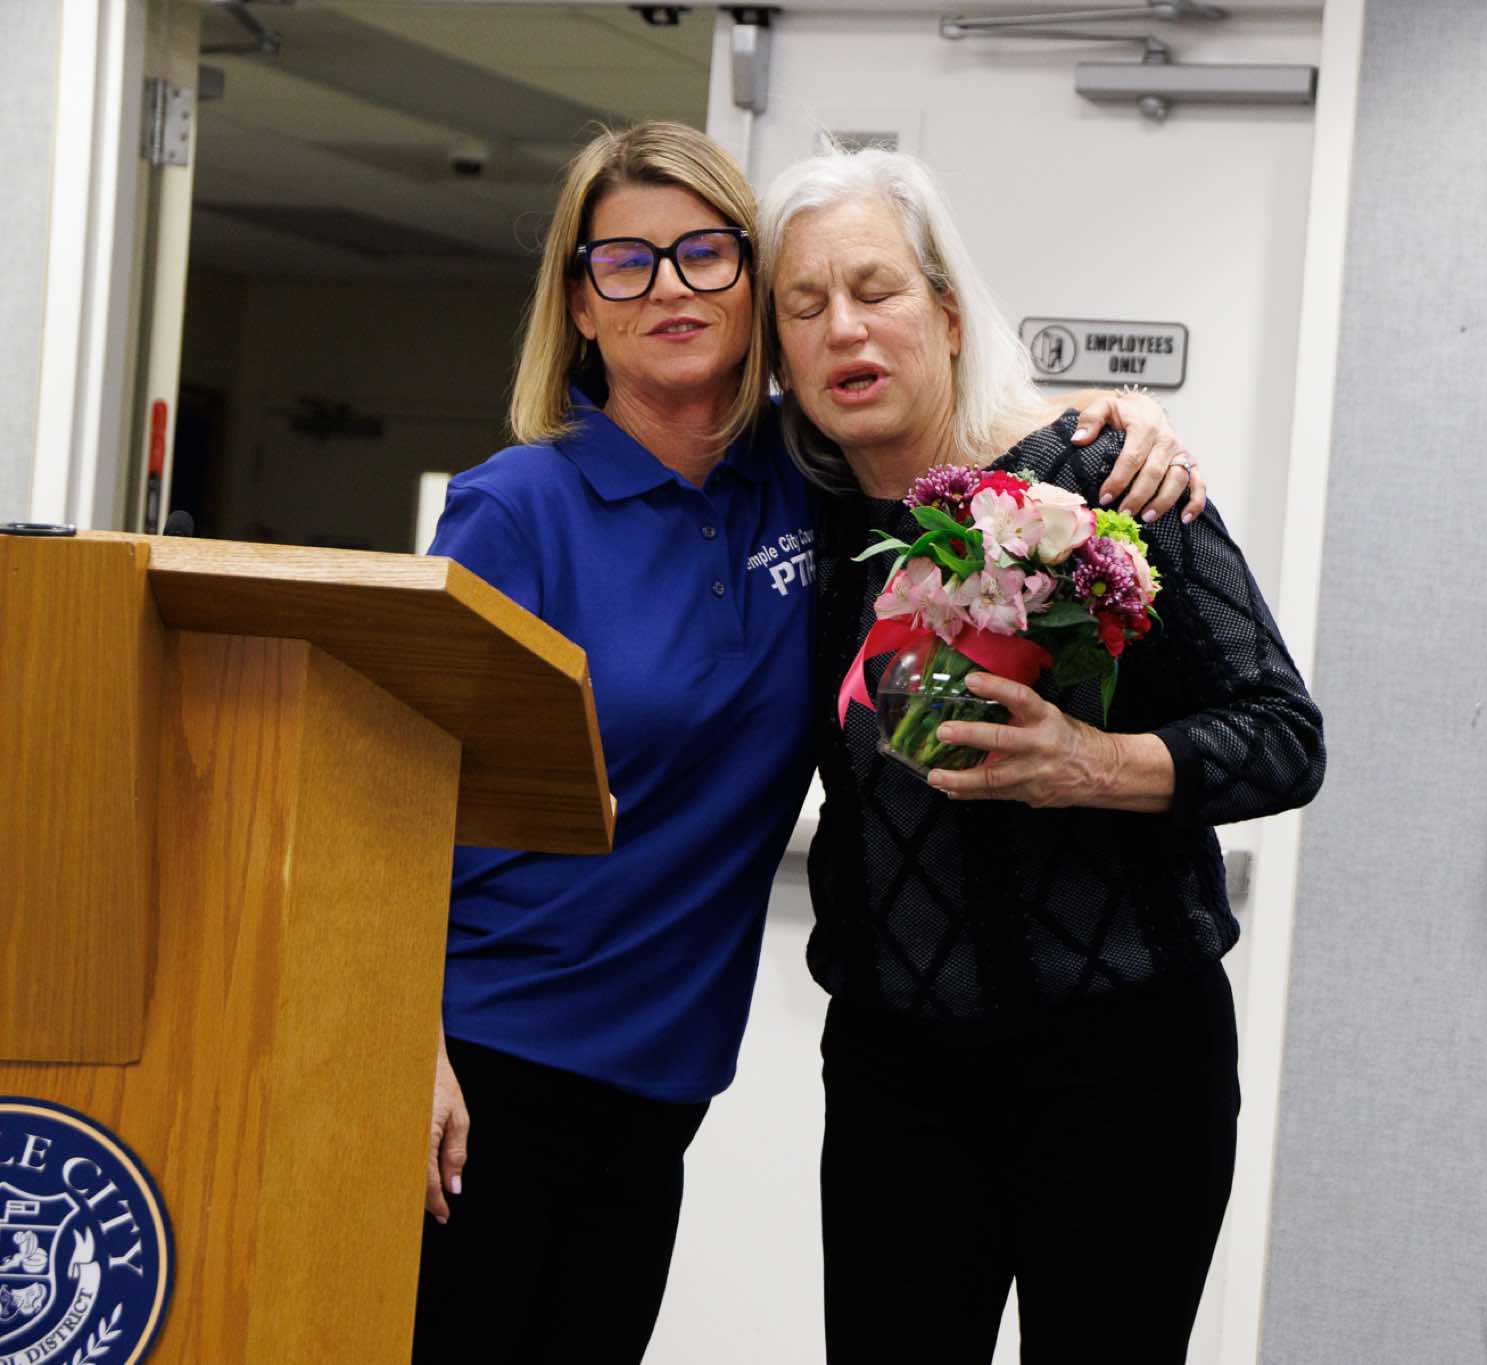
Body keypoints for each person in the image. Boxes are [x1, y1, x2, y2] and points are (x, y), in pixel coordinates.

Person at [412, 121, 1206, 1364]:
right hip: (487, 1056)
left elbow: (954, 419)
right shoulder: (517, 508)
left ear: (749, 288)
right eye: (624, 261)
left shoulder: (807, 486)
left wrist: (1116, 422)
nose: (669, 287)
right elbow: (390, 782)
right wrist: (404, 1043)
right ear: (578, 302)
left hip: (659, 1072)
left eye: (704, 254)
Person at [759, 147, 1326, 1363]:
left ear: (947, 313)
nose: (842, 327)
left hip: (1122, 1061)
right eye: (803, 306)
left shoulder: (1094, 478)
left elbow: (1283, 736)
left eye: (874, 289)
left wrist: (1090, 763)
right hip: (895, 1072)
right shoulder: (801, 518)